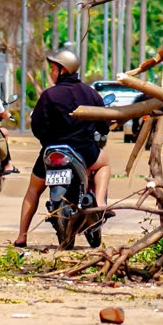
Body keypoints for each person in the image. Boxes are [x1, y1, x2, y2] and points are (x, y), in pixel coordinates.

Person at [12, 49, 107, 248]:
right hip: (84, 151)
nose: (51, 73)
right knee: (104, 164)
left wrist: (48, 142)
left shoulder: (49, 95)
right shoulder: (91, 93)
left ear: (63, 70)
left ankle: (22, 236)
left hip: (52, 152)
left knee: (33, 190)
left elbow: (37, 125)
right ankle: (99, 203)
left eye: (53, 69)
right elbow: (103, 124)